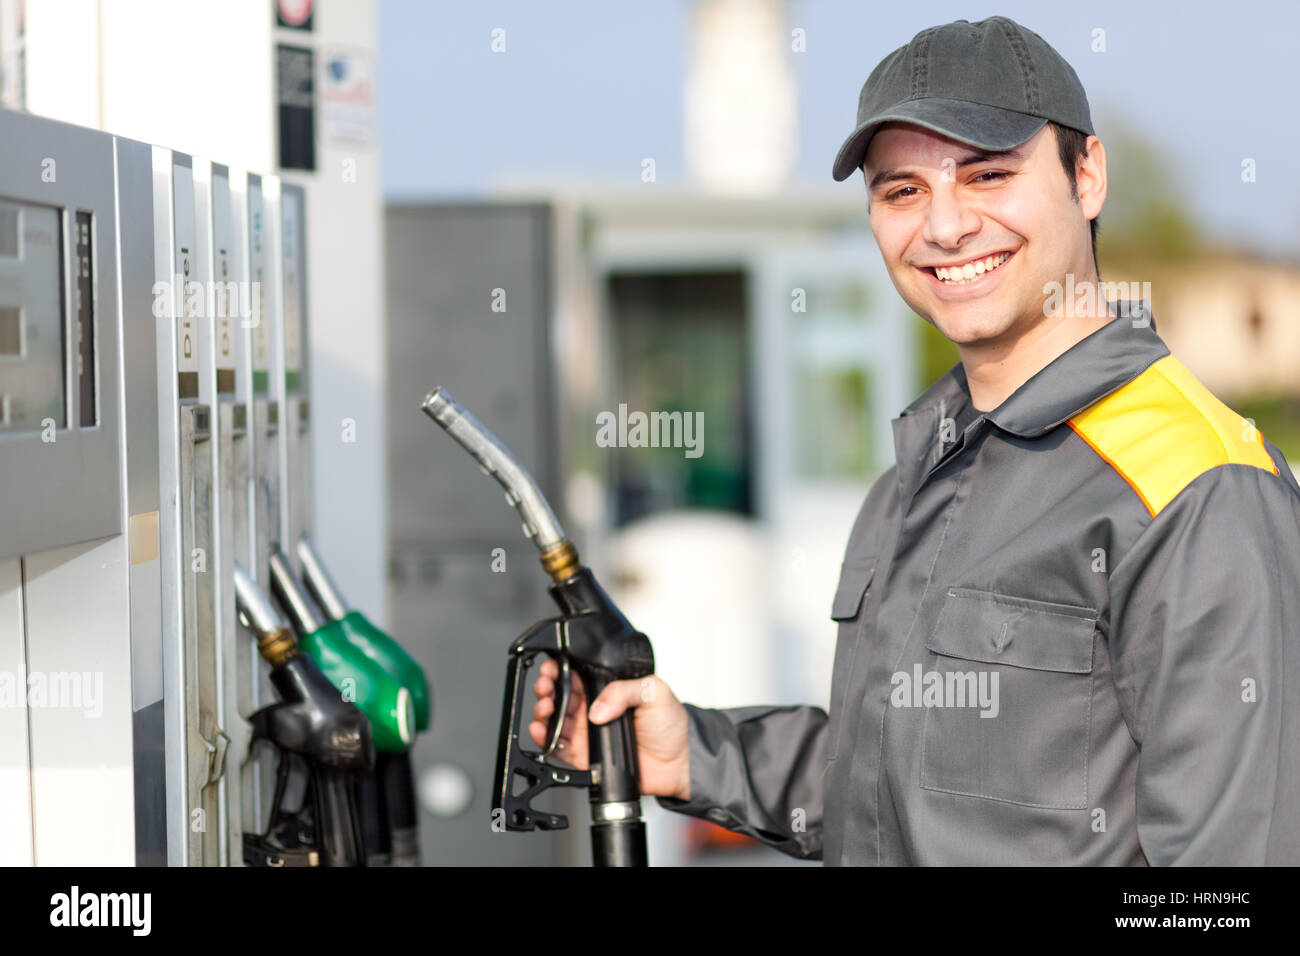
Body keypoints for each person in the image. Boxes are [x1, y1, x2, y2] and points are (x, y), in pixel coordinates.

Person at [531, 15, 1300, 865]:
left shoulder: (1198, 487)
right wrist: (690, 757)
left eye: (989, 174)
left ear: (1088, 177)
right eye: (902, 190)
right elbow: (892, 793)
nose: (945, 227)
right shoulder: (917, 474)